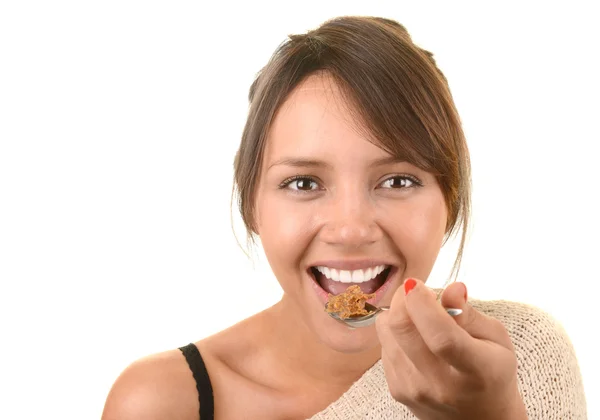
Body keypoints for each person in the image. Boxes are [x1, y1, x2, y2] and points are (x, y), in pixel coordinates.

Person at [101, 16, 587, 420]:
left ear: (450, 200)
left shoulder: (523, 357)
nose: (352, 229)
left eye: (397, 181)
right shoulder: (164, 401)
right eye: (304, 183)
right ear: (252, 203)